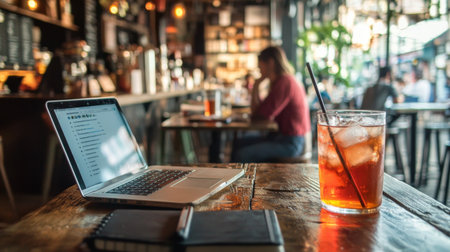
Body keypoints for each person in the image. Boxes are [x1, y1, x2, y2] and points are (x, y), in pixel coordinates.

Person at [231, 46, 311, 163]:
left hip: (292, 143)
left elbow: (261, 115)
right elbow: (261, 110)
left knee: (242, 154)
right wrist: (257, 86)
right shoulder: (283, 81)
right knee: (238, 143)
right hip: (283, 138)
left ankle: (246, 181)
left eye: (260, 64)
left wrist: (257, 84)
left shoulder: (284, 82)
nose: (259, 68)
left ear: (271, 63)